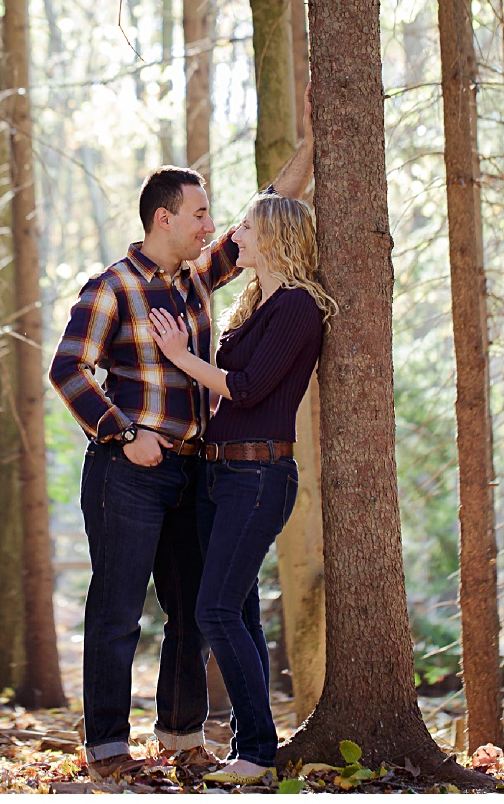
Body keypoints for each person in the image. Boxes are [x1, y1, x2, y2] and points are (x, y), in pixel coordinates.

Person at [50, 131, 311, 783]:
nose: (212, 225)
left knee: (194, 613)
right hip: (127, 472)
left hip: (197, 471)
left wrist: (310, 138)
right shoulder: (111, 287)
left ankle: (182, 735)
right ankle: (108, 750)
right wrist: (122, 433)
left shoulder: (196, 278)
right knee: (116, 613)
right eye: (199, 213)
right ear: (163, 218)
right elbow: (69, 369)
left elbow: (273, 210)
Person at [148, 194, 333, 786]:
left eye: (248, 226)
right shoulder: (259, 304)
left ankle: (256, 751)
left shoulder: (300, 309)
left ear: (276, 237)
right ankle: (257, 748)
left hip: (258, 477)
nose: (236, 233)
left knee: (215, 609)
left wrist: (178, 356)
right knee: (241, 612)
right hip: (218, 474)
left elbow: (248, 389)